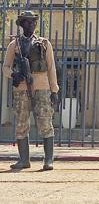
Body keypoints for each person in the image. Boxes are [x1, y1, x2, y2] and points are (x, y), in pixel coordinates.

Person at [2, 11, 59, 171]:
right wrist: (14, 74)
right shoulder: (15, 45)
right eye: (27, 22)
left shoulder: (44, 43)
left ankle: (48, 160)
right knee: (21, 123)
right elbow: (5, 67)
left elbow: (51, 68)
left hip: (42, 88)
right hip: (21, 89)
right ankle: (24, 160)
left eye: (33, 22)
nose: (30, 25)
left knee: (45, 122)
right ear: (21, 24)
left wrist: (54, 90)